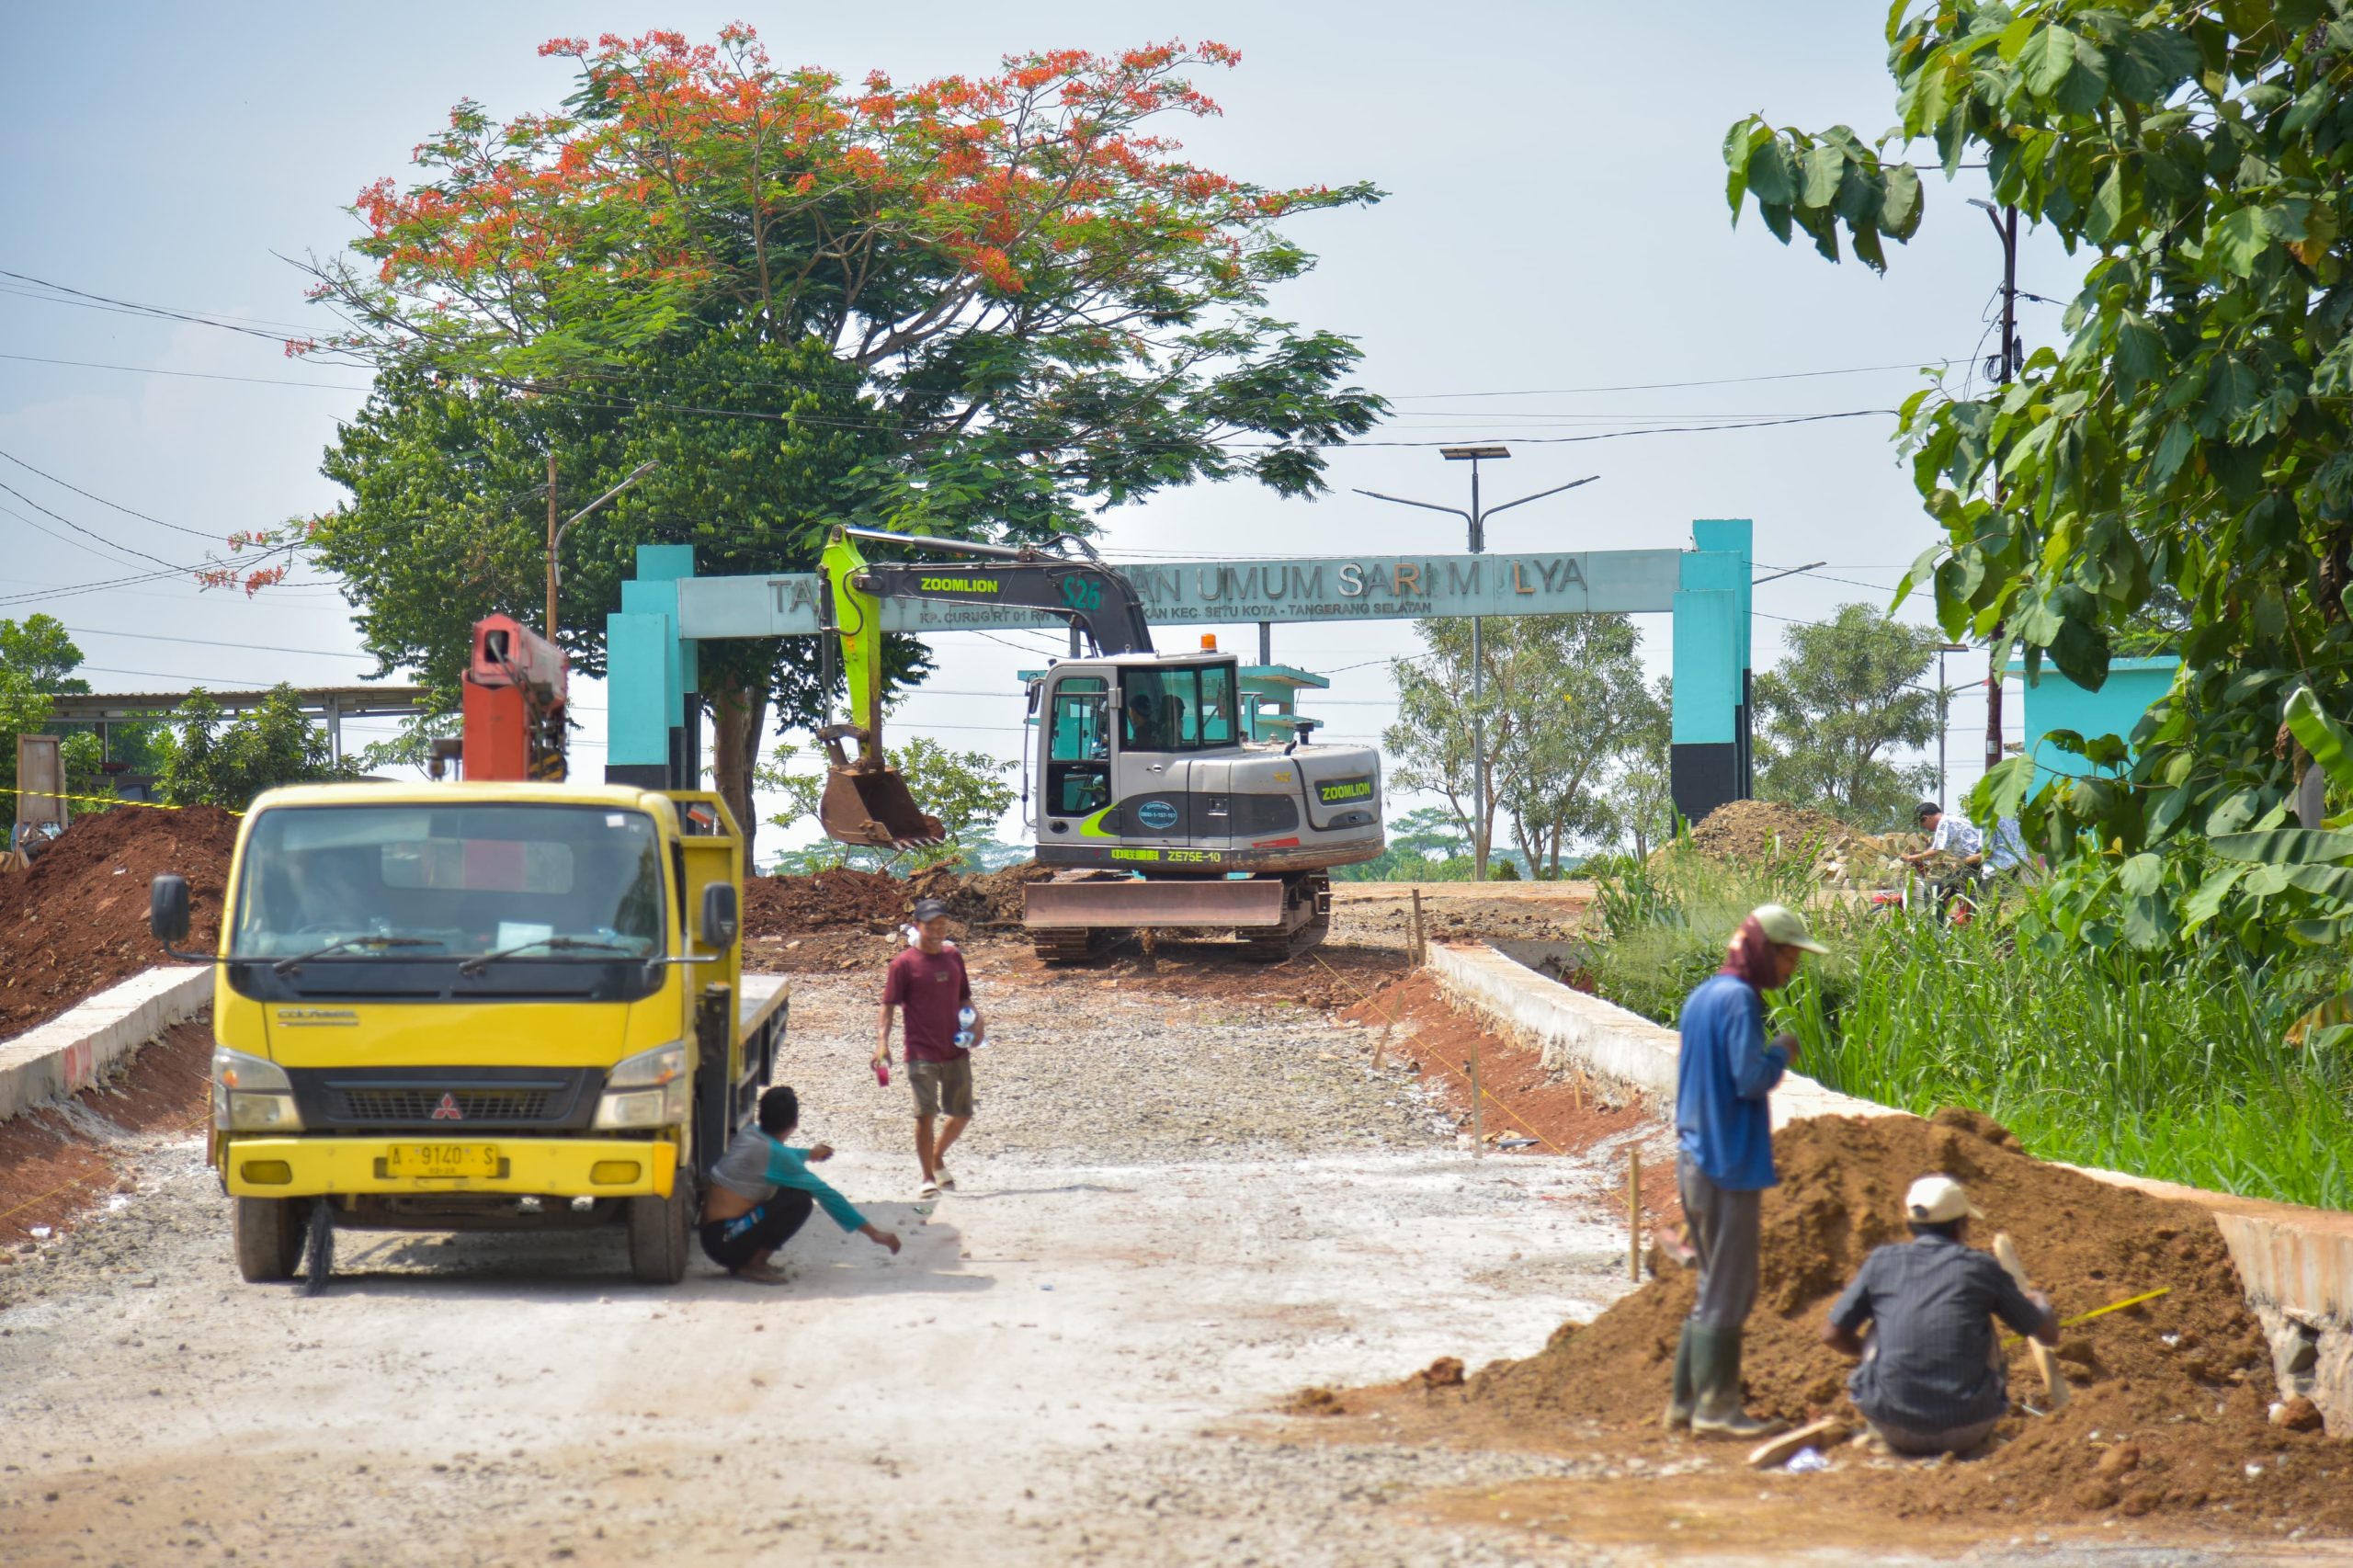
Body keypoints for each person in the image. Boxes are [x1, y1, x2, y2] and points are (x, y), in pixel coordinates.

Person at [1665, 902, 1827, 1439]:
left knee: (1712, 1284)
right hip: (1728, 1161)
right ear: (1765, 952)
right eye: (1789, 958)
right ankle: (1717, 1409)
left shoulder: (1705, 996)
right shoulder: (1740, 1001)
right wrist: (1781, 1053)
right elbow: (1748, 1080)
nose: (1792, 970)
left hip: (1694, 1157)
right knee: (1731, 1289)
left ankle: (1685, 1404)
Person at [1822, 1175, 2060, 1456]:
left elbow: (1832, 1335)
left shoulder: (1881, 1262)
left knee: (1883, 1323)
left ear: (1909, 1224)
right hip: (1967, 1429)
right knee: (1981, 1322)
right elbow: (2047, 1336)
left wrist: (1876, 1356)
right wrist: (2039, 1301)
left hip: (1890, 1425)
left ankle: (1891, 1400)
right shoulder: (1980, 1268)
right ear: (1962, 1225)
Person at [701, 1085, 901, 1284]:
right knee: (799, 1201)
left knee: (789, 1192)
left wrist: (809, 1154)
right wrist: (873, 1233)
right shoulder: (775, 1156)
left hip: (715, 1236)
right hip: (725, 1242)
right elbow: (826, 1194)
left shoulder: (752, 1133)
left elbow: (778, 1155)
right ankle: (755, 1264)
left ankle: (750, 1260)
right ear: (794, 1123)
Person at [875, 897, 986, 1199]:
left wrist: (978, 1021)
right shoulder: (903, 965)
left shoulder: (953, 957)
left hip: (955, 1050)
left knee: (961, 1113)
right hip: (920, 1052)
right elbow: (887, 1006)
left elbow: (964, 997)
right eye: (931, 926)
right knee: (925, 1115)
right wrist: (882, 1042)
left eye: (942, 925)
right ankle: (926, 1177)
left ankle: (937, 1158)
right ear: (917, 927)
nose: (937, 931)